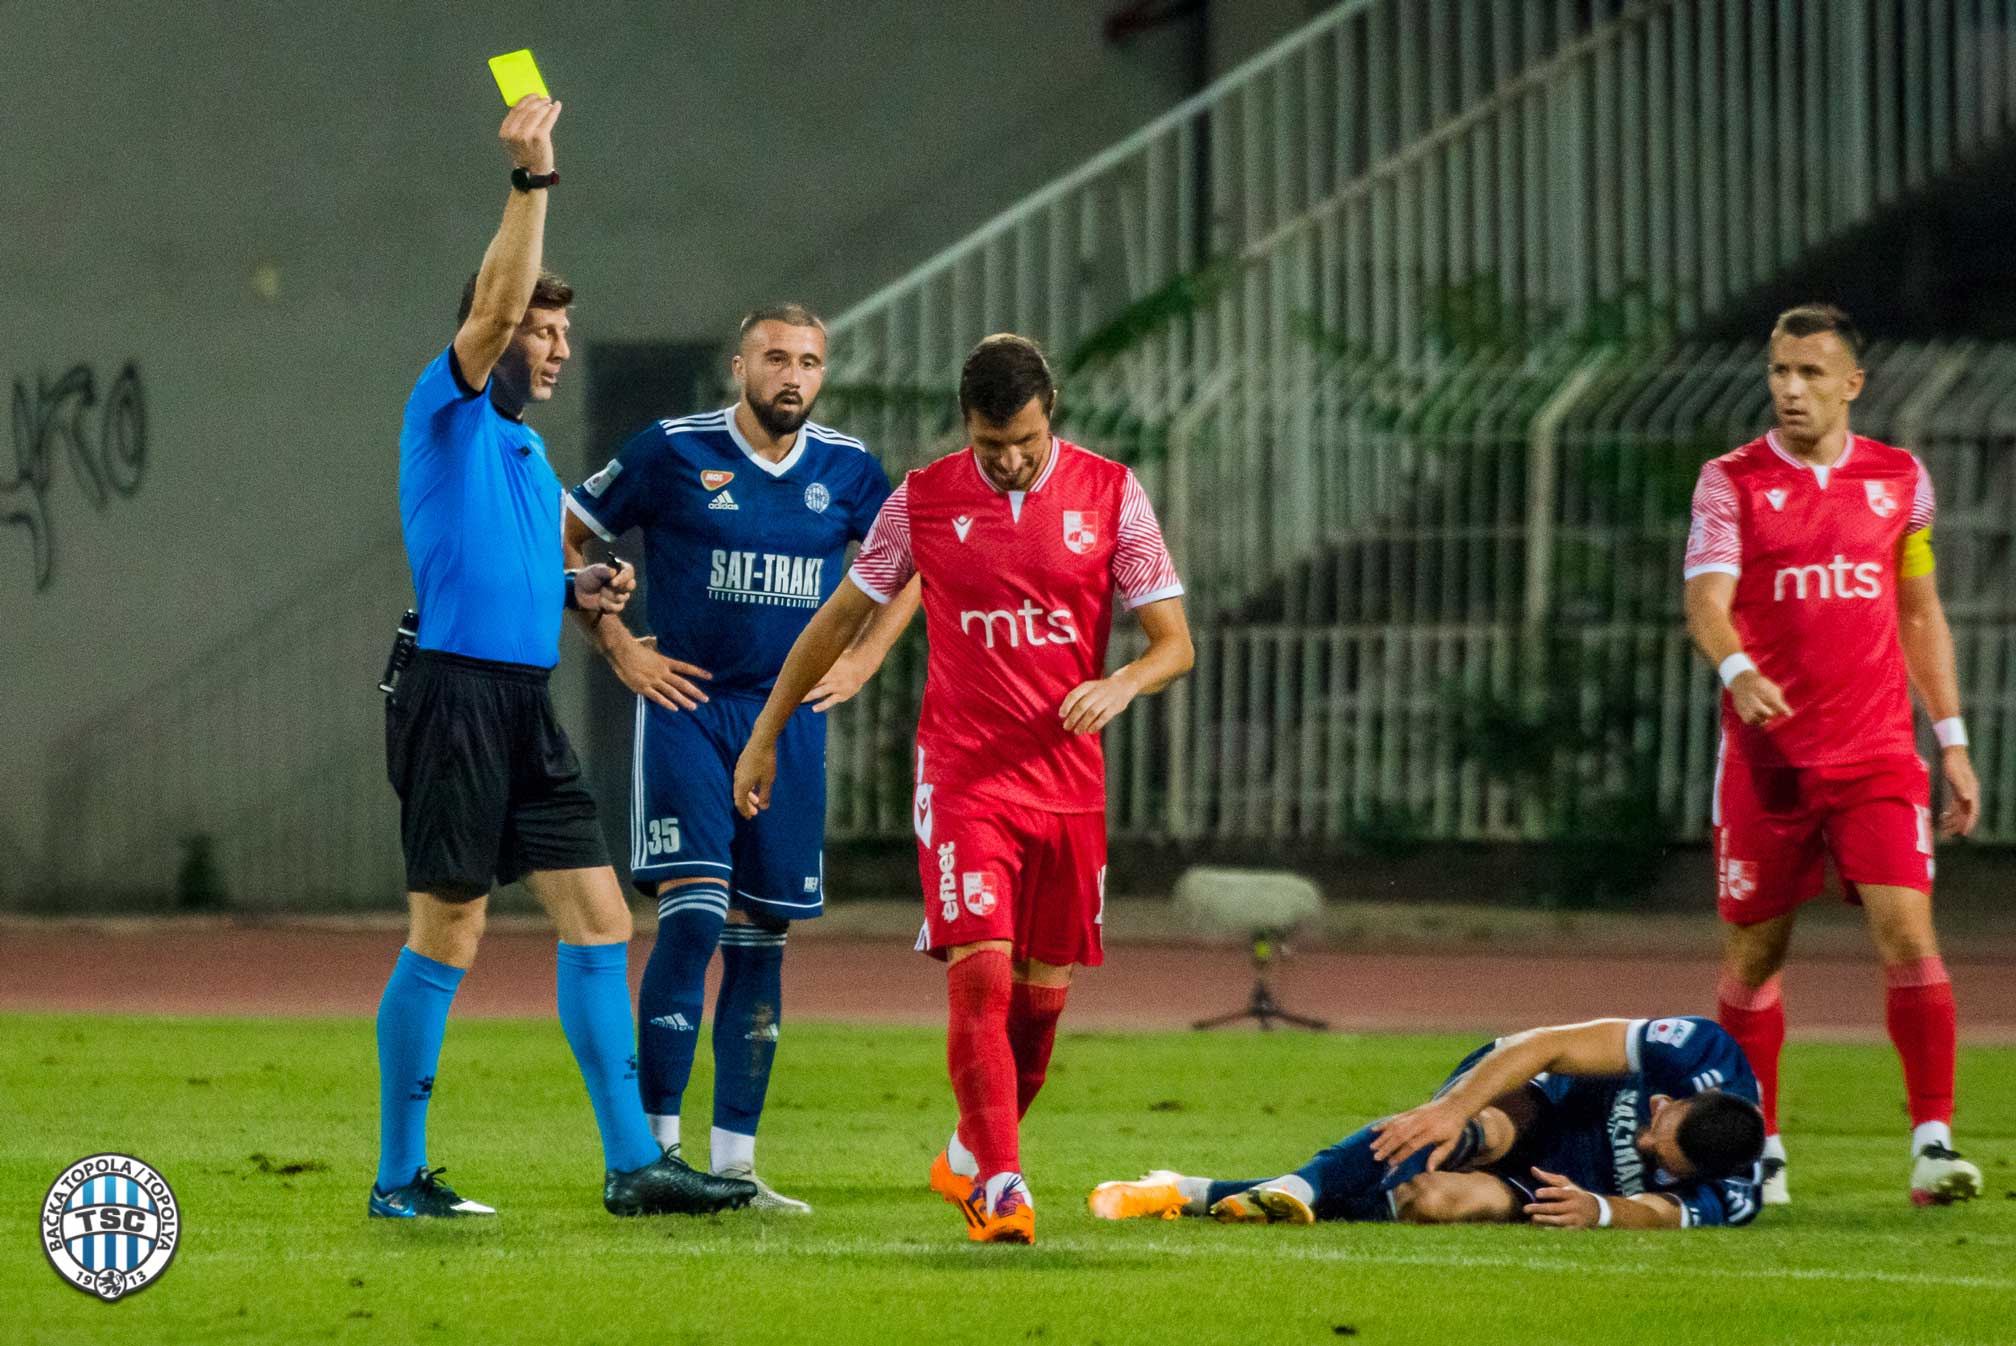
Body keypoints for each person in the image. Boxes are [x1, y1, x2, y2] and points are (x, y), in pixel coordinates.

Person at [372, 92, 754, 1219]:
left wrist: (579, 588)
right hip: (449, 695)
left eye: (562, 332)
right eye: (544, 330)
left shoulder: (530, 454)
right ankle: (400, 1175)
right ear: (495, 332)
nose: (557, 347)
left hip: (522, 700)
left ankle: (634, 1161)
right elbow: (490, 306)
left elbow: (521, 570)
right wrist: (532, 183)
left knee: (601, 915)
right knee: (452, 927)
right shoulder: (443, 410)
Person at [733, 334, 1194, 1244]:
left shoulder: (1111, 494)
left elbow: (1173, 642)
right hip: (965, 777)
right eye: (992, 445)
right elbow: (839, 620)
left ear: (1049, 408)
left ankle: (968, 1157)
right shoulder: (924, 500)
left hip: (1069, 787)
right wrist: (765, 732)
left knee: (1040, 1013)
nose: (1012, 459)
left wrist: (1122, 682)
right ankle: (1003, 1188)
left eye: (1023, 439)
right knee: (980, 981)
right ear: (967, 428)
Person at [562, 302, 916, 1212]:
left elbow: (916, 564)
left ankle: (736, 1168)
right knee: (691, 917)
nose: (791, 375)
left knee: (762, 944)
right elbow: (565, 540)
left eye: (807, 361)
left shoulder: (846, 471)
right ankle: (653, 1158)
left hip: (789, 720)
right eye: (774, 358)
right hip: (689, 709)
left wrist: (867, 656)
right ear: (738, 367)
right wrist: (619, 646)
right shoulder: (669, 450)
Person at [1683, 303, 1983, 1207]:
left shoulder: (1900, 481)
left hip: (1879, 753)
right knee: (1756, 960)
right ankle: (1761, 1143)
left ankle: (1933, 1146)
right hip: (1770, 761)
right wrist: (1737, 669)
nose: (1790, 389)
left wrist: (1953, 741)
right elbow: (1707, 600)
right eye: (1780, 371)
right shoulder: (1729, 481)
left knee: (1908, 933)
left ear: (1852, 384)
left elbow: (1920, 613)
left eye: (1811, 373)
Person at [1089, 1016, 1766, 1230]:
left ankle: (1187, 1190)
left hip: (1568, 1179)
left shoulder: (1732, 1193)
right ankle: (1298, 1185)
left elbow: (1658, 1214)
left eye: (1660, 1155)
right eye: (1659, 1119)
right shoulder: (1699, 1049)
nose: (1645, 1138)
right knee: (1477, 1136)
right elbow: (1545, 1047)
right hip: (1534, 1095)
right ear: (1682, 1096)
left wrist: (1600, 1210)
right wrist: (1454, 1108)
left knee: (1434, 1200)